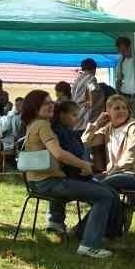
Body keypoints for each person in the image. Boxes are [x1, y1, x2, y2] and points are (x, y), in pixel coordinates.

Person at [21, 90, 115, 258]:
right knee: (105, 196)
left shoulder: (32, 125)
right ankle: (89, 244)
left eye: (51, 102)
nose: (51, 105)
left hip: (37, 182)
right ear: (35, 107)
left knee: (104, 193)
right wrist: (83, 165)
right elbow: (59, 153)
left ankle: (79, 231)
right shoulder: (43, 126)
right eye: (45, 103)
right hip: (50, 183)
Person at [51, 100, 123, 238]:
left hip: (78, 174)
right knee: (108, 195)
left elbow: (82, 145)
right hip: (72, 177)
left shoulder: (68, 132)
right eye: (73, 115)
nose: (76, 118)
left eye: (77, 115)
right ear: (61, 115)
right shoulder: (61, 133)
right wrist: (84, 167)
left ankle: (106, 233)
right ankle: (101, 234)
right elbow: (70, 157)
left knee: (112, 193)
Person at [81, 94, 135, 228]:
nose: (122, 111)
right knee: (89, 184)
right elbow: (86, 141)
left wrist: (111, 171)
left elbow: (130, 156)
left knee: (103, 186)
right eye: (117, 108)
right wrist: (96, 124)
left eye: (124, 108)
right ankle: (121, 210)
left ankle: (86, 229)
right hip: (114, 173)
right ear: (108, 113)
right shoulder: (108, 128)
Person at [71, 58, 104, 137]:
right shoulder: (91, 78)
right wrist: (92, 104)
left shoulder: (77, 79)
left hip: (76, 112)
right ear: (94, 69)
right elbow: (93, 90)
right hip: (85, 114)